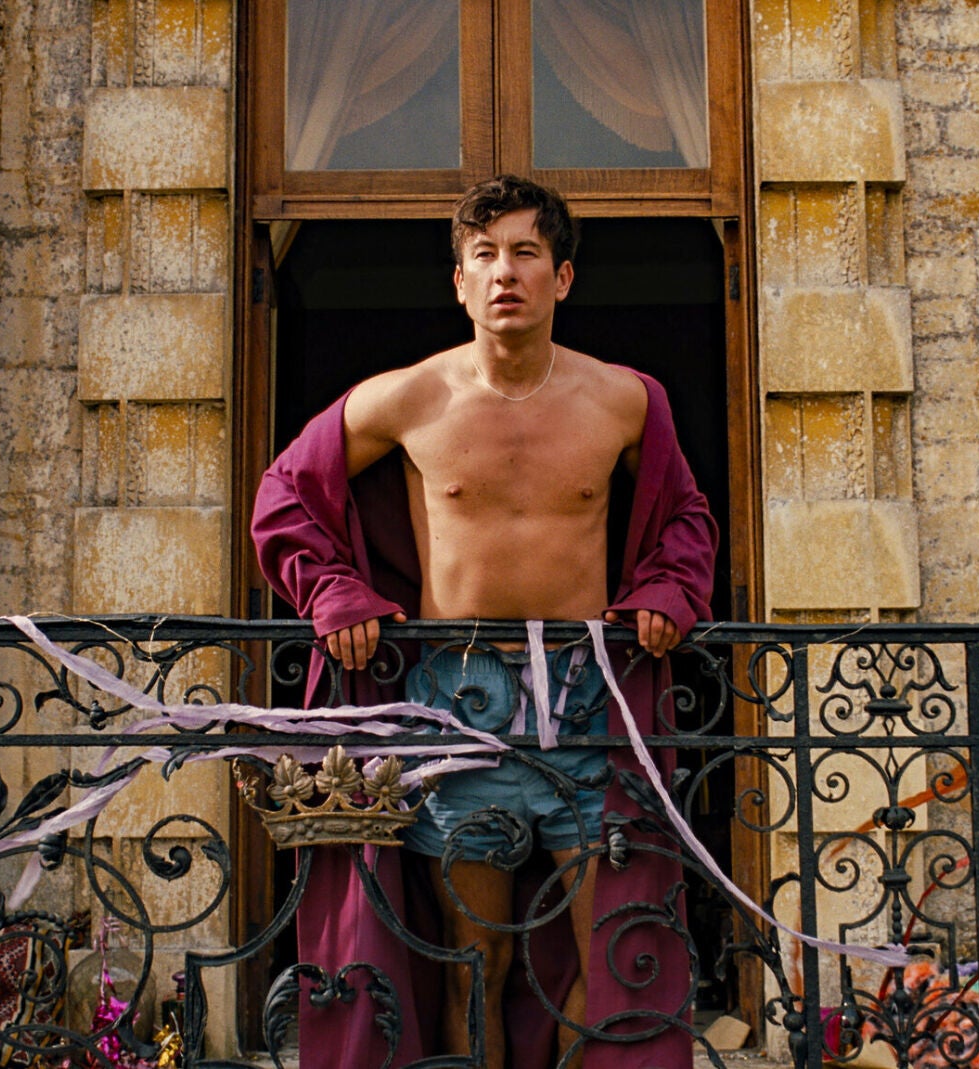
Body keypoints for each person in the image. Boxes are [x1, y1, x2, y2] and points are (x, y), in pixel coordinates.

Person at [252, 175, 716, 1068]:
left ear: (563, 277)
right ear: (460, 281)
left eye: (527, 253)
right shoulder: (407, 398)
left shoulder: (625, 400)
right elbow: (284, 496)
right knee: (478, 964)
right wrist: (334, 593)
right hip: (459, 703)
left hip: (588, 702)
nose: (506, 272)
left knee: (612, 956)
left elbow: (687, 520)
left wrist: (668, 589)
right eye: (485, 255)